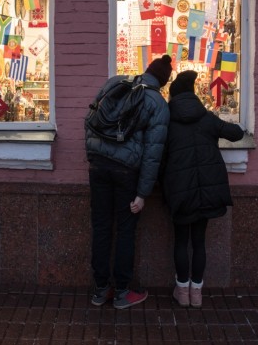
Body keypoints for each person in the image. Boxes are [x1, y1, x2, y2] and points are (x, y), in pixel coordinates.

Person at [85, 55, 173, 309]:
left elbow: (90, 119)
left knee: (101, 227)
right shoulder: (158, 103)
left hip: (98, 166)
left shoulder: (115, 82)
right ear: (163, 82)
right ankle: (122, 291)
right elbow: (152, 154)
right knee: (125, 230)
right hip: (126, 172)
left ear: (147, 70)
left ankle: (101, 289)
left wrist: (93, 156)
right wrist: (142, 193)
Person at [161, 70, 245, 308]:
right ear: (193, 95)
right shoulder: (207, 118)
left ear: (173, 97)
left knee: (180, 241)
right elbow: (237, 134)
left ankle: (182, 292)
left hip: (180, 191)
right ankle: (196, 293)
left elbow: (160, 157)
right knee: (199, 242)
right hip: (207, 189)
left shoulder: (167, 122)